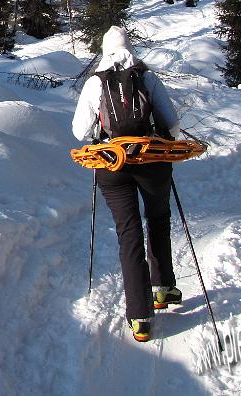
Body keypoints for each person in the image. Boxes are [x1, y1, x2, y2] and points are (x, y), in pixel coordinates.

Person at [72, 26, 182, 343]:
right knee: (158, 219)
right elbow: (172, 126)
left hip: (112, 164)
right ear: (130, 48)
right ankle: (162, 290)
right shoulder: (146, 77)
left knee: (128, 231)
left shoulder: (95, 82)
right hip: (150, 161)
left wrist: (101, 129)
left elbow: (80, 131)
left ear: (105, 51)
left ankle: (139, 316)